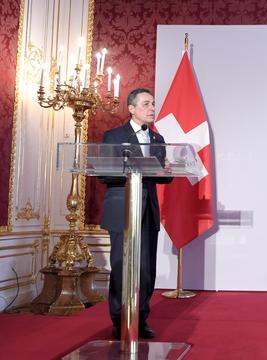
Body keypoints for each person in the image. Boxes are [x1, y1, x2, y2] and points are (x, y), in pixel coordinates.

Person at [100, 88, 172, 340]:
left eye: (153, 103)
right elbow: (104, 173)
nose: (152, 108)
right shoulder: (114, 136)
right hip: (122, 210)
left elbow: (165, 178)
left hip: (148, 212)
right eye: (146, 104)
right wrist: (138, 168)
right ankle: (120, 320)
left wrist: (166, 170)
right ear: (131, 108)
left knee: (146, 269)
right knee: (122, 267)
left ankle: (140, 319)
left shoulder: (157, 139)